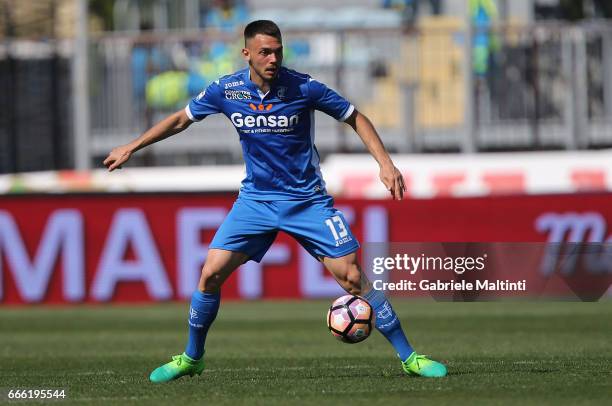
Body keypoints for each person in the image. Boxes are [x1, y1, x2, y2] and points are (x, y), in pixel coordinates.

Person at [103, 20, 447, 383]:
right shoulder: (227, 89)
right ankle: (192, 358)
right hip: (257, 201)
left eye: (278, 51)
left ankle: (410, 357)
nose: (273, 59)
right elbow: (179, 120)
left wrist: (386, 164)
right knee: (210, 274)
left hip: (306, 201)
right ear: (246, 53)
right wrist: (131, 147)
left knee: (352, 277)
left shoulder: (303, 86)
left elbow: (355, 117)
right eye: (265, 52)